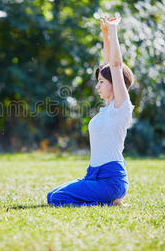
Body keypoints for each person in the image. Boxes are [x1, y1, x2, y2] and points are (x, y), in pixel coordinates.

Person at [47, 13, 135, 207]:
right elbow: (107, 65)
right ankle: (110, 201)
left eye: (102, 82)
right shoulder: (107, 109)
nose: (97, 86)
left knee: (57, 199)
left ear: (115, 83)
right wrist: (105, 35)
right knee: (52, 195)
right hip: (93, 176)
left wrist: (113, 29)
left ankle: (111, 202)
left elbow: (115, 66)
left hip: (111, 180)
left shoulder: (121, 107)